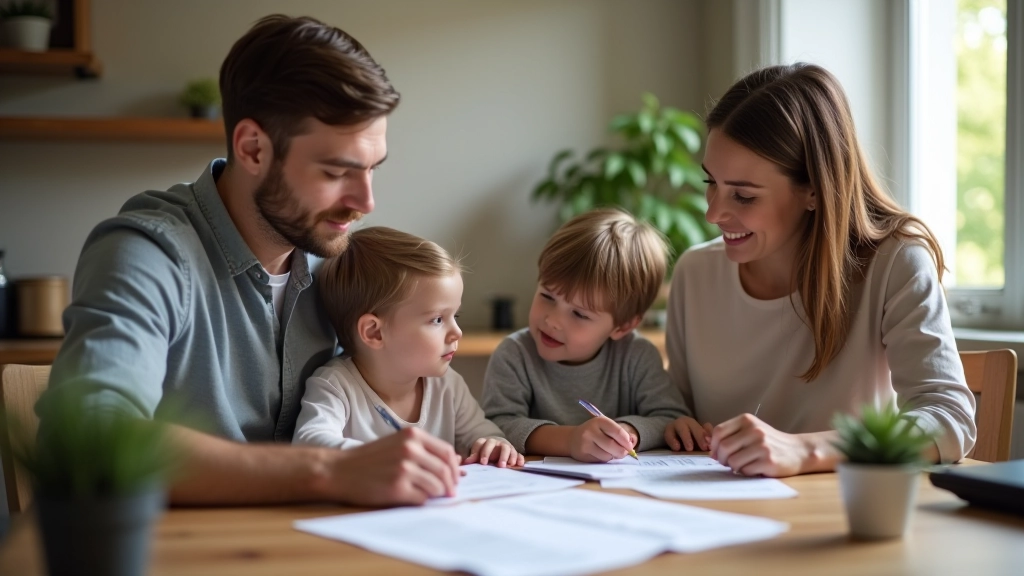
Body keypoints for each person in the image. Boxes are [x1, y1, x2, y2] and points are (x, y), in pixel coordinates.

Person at [38, 15, 463, 506]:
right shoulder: (147, 253)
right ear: (253, 148)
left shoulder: (338, 261)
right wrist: (330, 468)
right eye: (335, 171)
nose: (366, 201)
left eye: (372, 169)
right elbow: (88, 439)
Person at [663, 63, 977, 477]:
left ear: (813, 189)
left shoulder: (895, 263)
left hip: (843, 520)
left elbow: (949, 418)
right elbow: (673, 417)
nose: (713, 213)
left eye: (742, 195)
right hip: (714, 517)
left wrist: (805, 451)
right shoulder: (694, 274)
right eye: (711, 183)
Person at [293, 227, 523, 470]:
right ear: (374, 332)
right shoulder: (335, 386)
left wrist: (494, 444)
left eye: (456, 315)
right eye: (437, 319)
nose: (457, 332)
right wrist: (379, 457)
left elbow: (482, 433)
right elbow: (308, 444)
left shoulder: (448, 387)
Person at [482, 208, 687, 462]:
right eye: (547, 296)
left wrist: (629, 432)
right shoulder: (514, 354)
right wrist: (571, 440)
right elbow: (497, 426)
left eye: (579, 314)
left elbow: (671, 418)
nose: (552, 321)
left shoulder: (637, 356)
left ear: (622, 326)